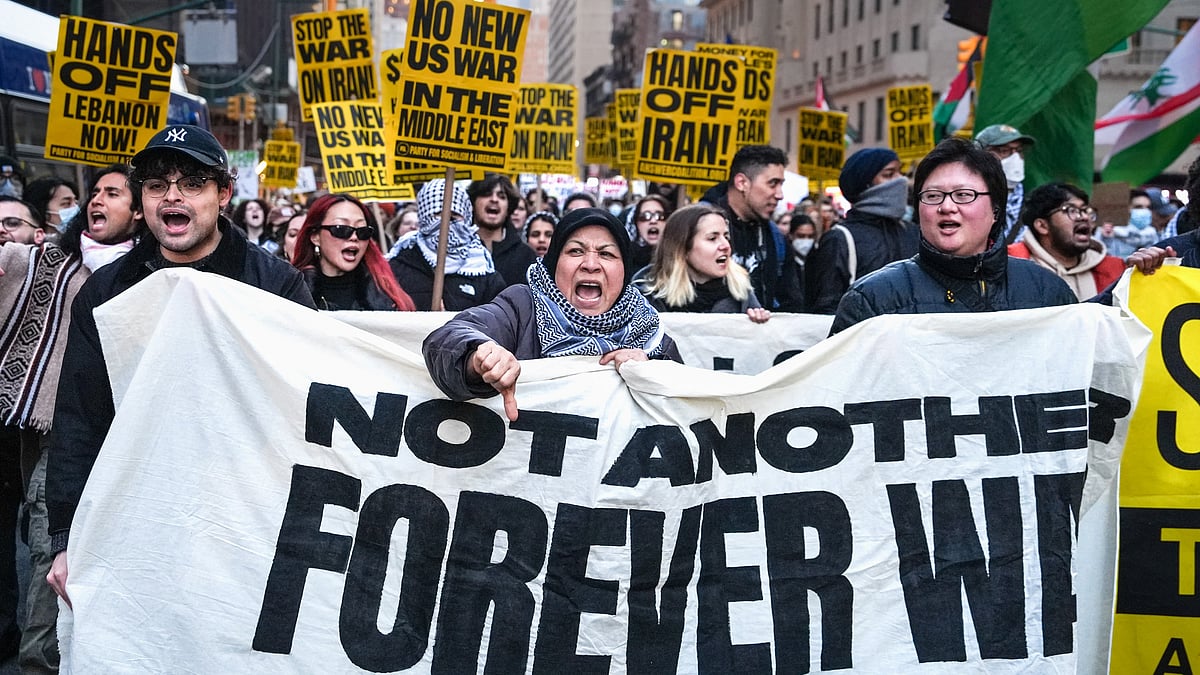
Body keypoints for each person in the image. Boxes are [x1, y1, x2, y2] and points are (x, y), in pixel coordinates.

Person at [45, 124, 316, 608]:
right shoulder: (107, 292)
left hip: (244, 513)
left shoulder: (275, 285)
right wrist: (66, 537)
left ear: (223, 194)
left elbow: (308, 402)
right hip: (137, 508)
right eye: (156, 185)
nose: (173, 197)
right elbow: (80, 419)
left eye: (192, 183)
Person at [423, 208, 682, 421]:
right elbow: (447, 339)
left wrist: (652, 373)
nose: (591, 265)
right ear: (554, 262)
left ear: (624, 270)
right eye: (576, 251)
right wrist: (479, 357)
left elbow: (684, 408)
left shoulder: (647, 330)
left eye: (606, 254)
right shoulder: (522, 307)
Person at [830, 137, 1076, 334]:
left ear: (995, 210)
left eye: (963, 195)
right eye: (933, 196)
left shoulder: (1047, 291)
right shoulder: (872, 300)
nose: (947, 207)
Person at [805, 147, 918, 314]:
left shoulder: (912, 232)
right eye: (889, 174)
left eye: (899, 172)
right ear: (865, 184)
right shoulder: (840, 239)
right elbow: (827, 307)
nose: (901, 180)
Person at [637, 203, 770, 322]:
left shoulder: (742, 293)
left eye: (726, 237)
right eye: (712, 238)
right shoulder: (645, 299)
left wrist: (758, 324)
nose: (725, 246)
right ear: (683, 248)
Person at [389, 178, 506, 311]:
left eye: (454, 216)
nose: (446, 224)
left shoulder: (483, 273)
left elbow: (496, 318)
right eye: (438, 215)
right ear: (423, 217)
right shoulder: (398, 266)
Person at [292, 193, 415, 311]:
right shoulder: (292, 289)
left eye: (362, 231)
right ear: (315, 236)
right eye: (341, 228)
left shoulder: (388, 292)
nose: (354, 237)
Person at [701, 144, 788, 309]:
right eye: (772, 183)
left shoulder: (774, 236)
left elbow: (790, 300)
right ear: (742, 183)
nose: (779, 195)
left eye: (781, 184)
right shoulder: (697, 226)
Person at [1008, 183, 1125, 301]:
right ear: (1042, 226)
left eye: (1086, 210)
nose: (1084, 217)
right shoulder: (1010, 269)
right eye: (1071, 210)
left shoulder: (1114, 270)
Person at [467, 174, 536, 288]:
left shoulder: (526, 256)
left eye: (501, 196)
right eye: (486, 194)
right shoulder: (457, 251)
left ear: (509, 207)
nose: (494, 200)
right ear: (473, 202)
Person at [975, 123, 1035, 244]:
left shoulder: (1034, 205)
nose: (1015, 158)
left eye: (1019, 151)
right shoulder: (967, 201)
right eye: (1004, 151)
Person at [777, 214, 818, 313]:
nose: (806, 241)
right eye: (801, 236)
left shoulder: (818, 261)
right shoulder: (783, 263)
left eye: (810, 236)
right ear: (791, 235)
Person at [626, 194, 670, 272]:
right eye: (645, 216)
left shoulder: (680, 259)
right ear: (636, 223)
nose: (653, 221)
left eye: (660, 216)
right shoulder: (626, 260)